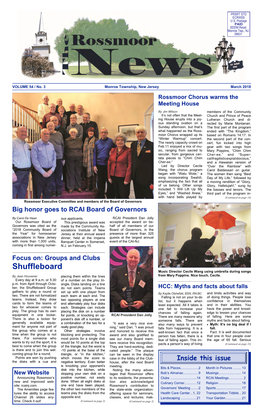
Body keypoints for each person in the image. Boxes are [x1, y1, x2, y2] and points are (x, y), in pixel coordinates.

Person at [31, 129, 56, 199]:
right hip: (39, 172)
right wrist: (43, 172)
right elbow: (34, 160)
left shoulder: (51, 145)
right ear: (40, 135)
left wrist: (52, 170)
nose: (46, 135)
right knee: (37, 192)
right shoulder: (35, 145)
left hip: (50, 172)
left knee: (47, 192)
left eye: (48, 134)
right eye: (44, 134)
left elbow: (54, 159)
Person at [131, 125, 153, 199]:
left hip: (147, 177)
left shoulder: (151, 145)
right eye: (138, 132)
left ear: (146, 133)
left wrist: (153, 179)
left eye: (142, 132)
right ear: (136, 134)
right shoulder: (133, 144)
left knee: (148, 197)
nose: (140, 134)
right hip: (136, 177)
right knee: (138, 197)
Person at [107, 132, 132, 199]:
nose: (120, 141)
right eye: (118, 140)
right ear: (115, 141)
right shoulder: (112, 150)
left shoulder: (128, 150)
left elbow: (130, 165)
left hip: (123, 177)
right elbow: (109, 164)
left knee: (123, 195)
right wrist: (109, 176)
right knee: (115, 194)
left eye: (121, 140)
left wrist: (127, 179)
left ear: (124, 141)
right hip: (113, 176)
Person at [93, 127, 115, 199]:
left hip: (109, 165)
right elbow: (94, 154)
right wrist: (94, 165)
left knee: (109, 182)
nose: (103, 133)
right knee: (100, 182)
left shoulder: (111, 141)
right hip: (99, 165)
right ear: (100, 133)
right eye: (102, 132)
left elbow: (116, 150)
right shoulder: (97, 142)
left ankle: (110, 197)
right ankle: (101, 196)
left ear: (107, 133)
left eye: (105, 132)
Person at [12, 126, 31, 199]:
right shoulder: (12, 143)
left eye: (25, 132)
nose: (24, 133)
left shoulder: (26, 145)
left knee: (22, 193)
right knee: (12, 193)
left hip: (26, 172)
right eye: (22, 131)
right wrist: (12, 173)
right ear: (16, 133)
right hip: (16, 173)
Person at [46, 122, 64, 197]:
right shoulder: (46, 134)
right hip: (49, 159)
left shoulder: (59, 134)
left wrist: (63, 158)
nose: (50, 127)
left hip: (59, 158)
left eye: (51, 126)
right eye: (48, 126)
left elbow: (63, 146)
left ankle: (58, 190)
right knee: (51, 175)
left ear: (54, 126)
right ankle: (53, 190)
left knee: (59, 174)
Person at [64, 128, 83, 193]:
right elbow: (65, 149)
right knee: (70, 172)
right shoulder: (67, 140)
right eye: (72, 132)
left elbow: (82, 148)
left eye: (74, 132)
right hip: (69, 158)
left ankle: (78, 186)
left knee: (78, 172)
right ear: (69, 133)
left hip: (79, 158)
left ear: (76, 133)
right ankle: (70, 187)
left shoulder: (80, 140)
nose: (73, 134)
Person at [83, 127, 97, 192]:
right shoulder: (86, 139)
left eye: (92, 131)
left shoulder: (96, 140)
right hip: (87, 159)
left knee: (94, 172)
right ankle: (88, 186)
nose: (90, 133)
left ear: (94, 133)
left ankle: (94, 187)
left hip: (93, 158)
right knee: (87, 172)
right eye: (89, 131)